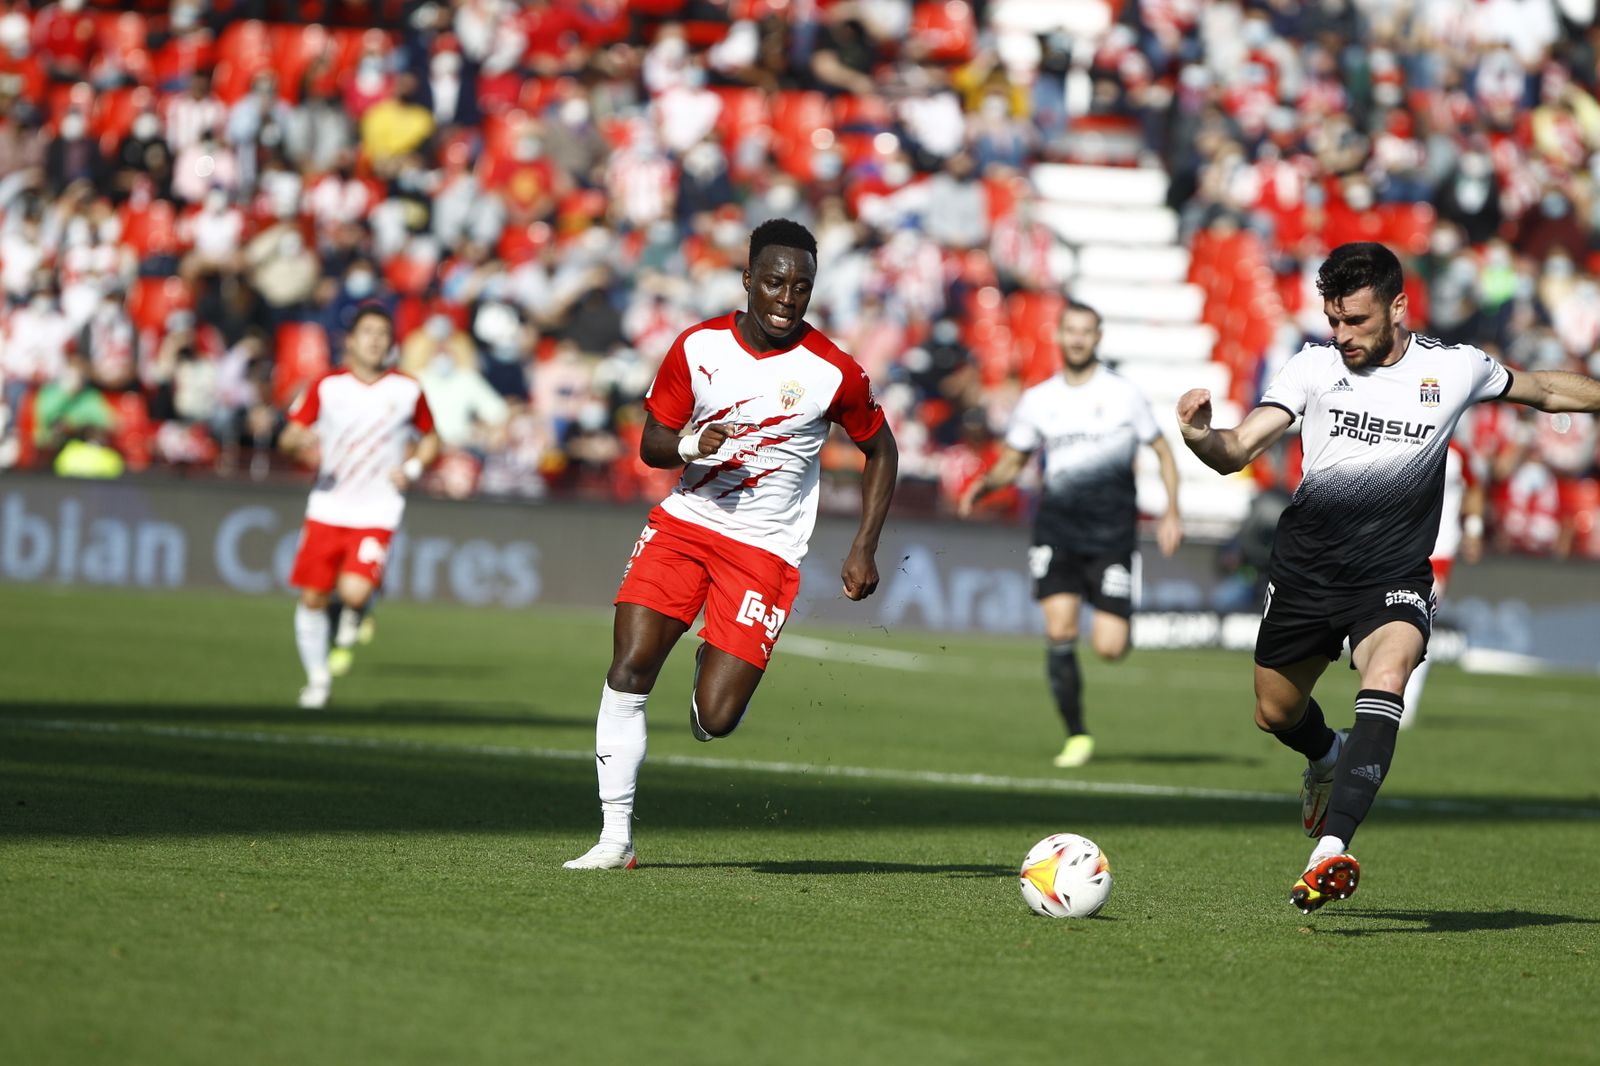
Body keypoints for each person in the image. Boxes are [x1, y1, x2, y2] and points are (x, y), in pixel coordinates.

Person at [1175, 242, 1600, 914]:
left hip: (1393, 576)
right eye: (1333, 320)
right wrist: (1200, 435)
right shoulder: (1313, 367)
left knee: (1389, 671)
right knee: (1274, 712)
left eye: (1356, 321)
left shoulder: (1452, 368)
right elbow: (1236, 450)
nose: (1342, 334)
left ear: (1398, 307)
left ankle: (1330, 849)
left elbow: (1544, 391)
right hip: (1307, 574)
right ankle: (1325, 755)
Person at [564, 218, 898, 870]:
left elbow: (881, 450)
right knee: (629, 669)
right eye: (774, 282)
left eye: (800, 287)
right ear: (747, 279)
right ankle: (614, 838)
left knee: (715, 719)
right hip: (685, 526)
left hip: (764, 551)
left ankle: (710, 672)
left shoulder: (833, 371)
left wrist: (865, 545)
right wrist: (692, 443)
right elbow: (652, 444)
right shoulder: (697, 347)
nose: (786, 298)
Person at [958, 304, 1183, 768]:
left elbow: (1163, 451)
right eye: (1071, 331)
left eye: (1086, 332)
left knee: (1109, 647)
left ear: (1098, 338)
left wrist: (1172, 511)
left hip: (1111, 534)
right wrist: (987, 483)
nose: (1078, 339)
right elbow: (1014, 460)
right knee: (1059, 629)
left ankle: (1116, 626)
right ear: (1059, 336)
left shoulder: (1124, 395)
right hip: (1057, 530)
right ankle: (1077, 735)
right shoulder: (1039, 399)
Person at [279, 305, 440, 708]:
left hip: (378, 509)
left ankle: (354, 610)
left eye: (382, 333)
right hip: (328, 506)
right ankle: (318, 681)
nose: (374, 340)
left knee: (355, 591)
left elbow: (431, 438)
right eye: (367, 332)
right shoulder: (327, 386)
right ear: (350, 340)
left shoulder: (406, 389)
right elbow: (289, 436)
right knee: (312, 598)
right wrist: (297, 443)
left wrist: (413, 468)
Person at [1400, 435, 1484, 728]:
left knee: (1419, 623)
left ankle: (1405, 702)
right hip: (1395, 547)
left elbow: (1474, 487)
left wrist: (1473, 529)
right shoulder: (1405, 439)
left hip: (1439, 550)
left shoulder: (1458, 452)